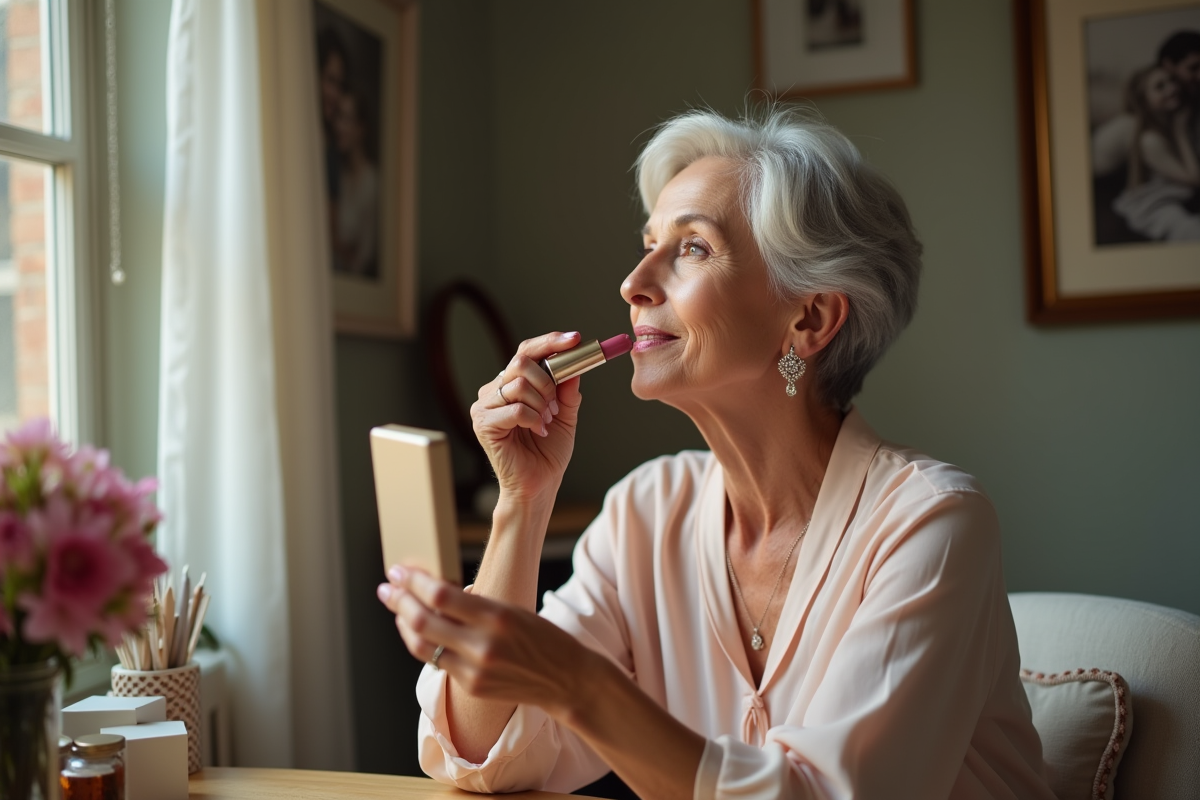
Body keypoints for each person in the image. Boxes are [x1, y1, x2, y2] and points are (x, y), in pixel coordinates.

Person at [377, 107, 1055, 799]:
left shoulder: (932, 524)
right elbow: (486, 755)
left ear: (810, 318)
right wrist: (523, 501)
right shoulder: (646, 512)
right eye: (648, 243)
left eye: (693, 248)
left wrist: (578, 684)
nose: (633, 283)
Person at [1113, 64, 1200, 241]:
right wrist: (1180, 131)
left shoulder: (1168, 127)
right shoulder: (1150, 140)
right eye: (1160, 87)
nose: (1172, 88)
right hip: (1156, 206)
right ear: (1144, 102)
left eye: (1172, 81)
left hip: (1182, 202)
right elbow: (1194, 178)